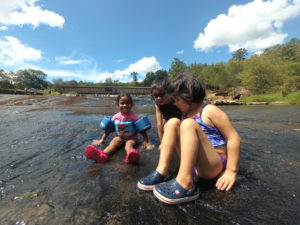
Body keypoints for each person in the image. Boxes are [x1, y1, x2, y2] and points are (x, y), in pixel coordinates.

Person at [137, 72, 241, 204]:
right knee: (172, 122)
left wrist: (231, 170)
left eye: (176, 100)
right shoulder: (184, 114)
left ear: (188, 96)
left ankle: (186, 184)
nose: (174, 103)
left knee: (188, 124)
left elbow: (233, 138)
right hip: (195, 166)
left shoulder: (209, 110)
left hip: (213, 165)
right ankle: (163, 171)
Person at [85, 93, 152, 164]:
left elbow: (142, 130)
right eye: (122, 103)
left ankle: (132, 156)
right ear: (117, 105)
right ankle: (102, 155)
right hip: (120, 137)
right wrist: (102, 139)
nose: (125, 105)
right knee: (114, 142)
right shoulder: (116, 117)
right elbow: (108, 129)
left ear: (131, 104)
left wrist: (146, 142)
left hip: (132, 138)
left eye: (127, 103)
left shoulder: (134, 117)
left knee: (128, 144)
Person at [151, 78, 181, 143]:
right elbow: (159, 124)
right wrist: (162, 143)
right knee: (164, 125)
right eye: (156, 95)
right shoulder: (158, 105)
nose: (159, 98)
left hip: (179, 119)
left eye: (162, 94)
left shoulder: (175, 100)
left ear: (169, 92)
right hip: (167, 119)